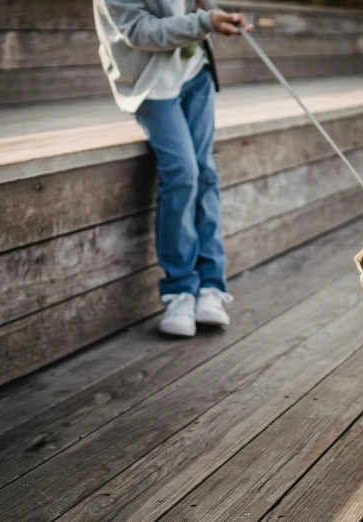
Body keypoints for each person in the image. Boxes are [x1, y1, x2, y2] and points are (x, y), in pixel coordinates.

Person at [94, 0, 253, 337]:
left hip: (195, 74)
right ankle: (179, 291)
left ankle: (211, 287)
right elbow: (140, 31)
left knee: (205, 172)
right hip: (150, 83)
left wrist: (214, 14)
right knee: (183, 173)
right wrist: (205, 21)